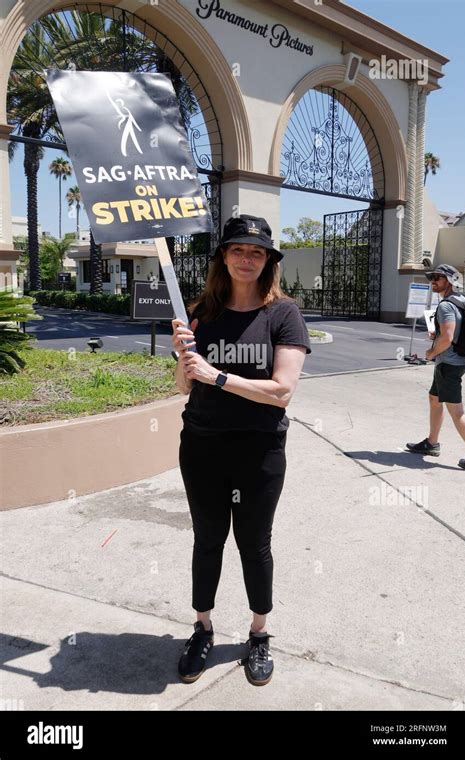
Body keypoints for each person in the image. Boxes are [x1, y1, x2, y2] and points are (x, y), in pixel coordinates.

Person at [171, 214, 312, 686]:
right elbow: (184, 388)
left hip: (259, 449)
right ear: (223, 258)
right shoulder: (201, 312)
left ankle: (258, 633)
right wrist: (183, 358)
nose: (247, 259)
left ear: (268, 261)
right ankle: (203, 627)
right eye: (238, 250)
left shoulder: (283, 313)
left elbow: (283, 390)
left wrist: (220, 377)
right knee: (207, 539)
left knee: (255, 543)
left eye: (257, 252)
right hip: (203, 444)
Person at [406, 264, 465, 470]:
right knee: (434, 399)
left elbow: (448, 338)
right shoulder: (461, 300)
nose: (433, 280)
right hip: (458, 360)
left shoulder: (445, 306)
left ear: (450, 281)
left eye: (438, 277)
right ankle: (432, 443)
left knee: (457, 412)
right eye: (432, 277)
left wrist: (431, 353)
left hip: (449, 364)